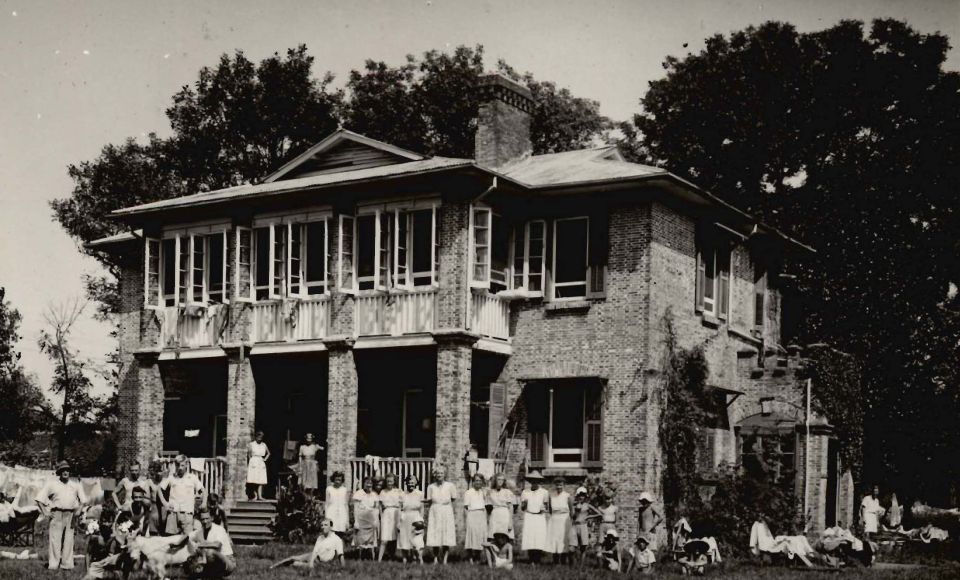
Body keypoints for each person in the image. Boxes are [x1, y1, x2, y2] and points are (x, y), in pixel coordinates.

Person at [36, 460, 86, 570]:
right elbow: (39, 499)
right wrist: (45, 512)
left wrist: (79, 510)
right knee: (55, 540)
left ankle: (67, 564)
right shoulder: (52, 484)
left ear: (69, 472)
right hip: (56, 514)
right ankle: (53, 564)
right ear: (59, 472)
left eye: (67, 470)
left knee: (68, 540)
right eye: (63, 470)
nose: (65, 472)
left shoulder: (75, 485)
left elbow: (83, 500)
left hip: (70, 515)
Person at [270, 518, 345, 569]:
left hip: (322, 563)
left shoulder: (337, 539)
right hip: (313, 557)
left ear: (331, 527)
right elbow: (315, 551)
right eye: (322, 525)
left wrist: (343, 568)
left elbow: (340, 555)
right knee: (292, 558)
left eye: (326, 525)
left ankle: (287, 567)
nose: (323, 527)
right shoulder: (320, 538)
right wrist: (311, 562)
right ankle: (273, 567)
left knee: (295, 564)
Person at [159, 455, 205, 535]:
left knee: (187, 538)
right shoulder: (171, 477)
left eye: (182, 465)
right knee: (171, 539)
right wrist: (165, 503)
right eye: (178, 465)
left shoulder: (192, 477)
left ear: (186, 465)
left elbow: (203, 491)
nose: (180, 468)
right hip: (173, 513)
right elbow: (159, 488)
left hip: (187, 513)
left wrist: (202, 504)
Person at [190, 508, 236, 578]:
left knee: (210, 552)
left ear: (212, 518)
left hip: (227, 561)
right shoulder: (199, 532)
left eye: (207, 518)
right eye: (202, 519)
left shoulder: (219, 529)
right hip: (210, 561)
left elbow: (217, 545)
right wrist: (177, 542)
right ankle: (209, 575)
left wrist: (200, 545)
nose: (205, 521)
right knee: (191, 560)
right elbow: (188, 536)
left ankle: (213, 575)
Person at [425, 466, 457, 564]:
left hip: (446, 511)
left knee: (446, 535)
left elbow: (453, 498)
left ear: (445, 475)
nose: (439, 475)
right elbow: (429, 500)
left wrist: (444, 504)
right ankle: (435, 558)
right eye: (437, 473)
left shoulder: (450, 486)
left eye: (441, 473)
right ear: (435, 475)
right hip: (435, 512)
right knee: (435, 535)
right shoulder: (431, 487)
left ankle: (445, 559)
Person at [520, 470, 549, 563]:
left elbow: (546, 506)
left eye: (536, 480)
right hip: (529, 516)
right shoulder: (525, 492)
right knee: (530, 536)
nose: (534, 482)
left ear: (539, 481)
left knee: (539, 537)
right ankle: (531, 558)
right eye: (532, 480)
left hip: (539, 516)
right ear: (530, 481)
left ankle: (538, 559)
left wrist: (543, 508)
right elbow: (522, 508)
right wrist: (524, 504)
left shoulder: (544, 492)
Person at [570, 486, 602, 565]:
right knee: (572, 548)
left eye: (583, 496)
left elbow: (599, 513)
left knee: (583, 547)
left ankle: (581, 565)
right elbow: (573, 517)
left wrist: (589, 517)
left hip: (583, 526)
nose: (581, 497)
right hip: (575, 526)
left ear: (585, 497)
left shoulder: (587, 505)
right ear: (577, 496)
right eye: (580, 495)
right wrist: (577, 511)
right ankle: (573, 564)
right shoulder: (574, 505)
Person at [398, 475, 425, 564]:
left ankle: (416, 558)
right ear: (406, 483)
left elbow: (422, 508)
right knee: (404, 538)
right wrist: (399, 520)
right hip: (405, 516)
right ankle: (405, 558)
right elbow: (400, 508)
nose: (411, 484)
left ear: (416, 483)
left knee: (416, 539)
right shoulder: (402, 494)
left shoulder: (420, 494)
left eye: (412, 482)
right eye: (409, 483)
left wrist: (421, 519)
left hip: (416, 517)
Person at [463, 474, 489, 563]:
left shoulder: (483, 492)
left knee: (480, 536)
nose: (478, 482)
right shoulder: (468, 492)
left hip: (481, 515)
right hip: (472, 514)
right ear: (473, 482)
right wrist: (467, 520)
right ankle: (470, 558)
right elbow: (465, 507)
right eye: (476, 480)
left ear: (482, 482)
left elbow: (486, 505)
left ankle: (477, 558)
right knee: (471, 536)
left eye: (480, 481)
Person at [352, 476, 380, 559]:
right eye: (367, 483)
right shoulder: (359, 494)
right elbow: (356, 508)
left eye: (370, 483)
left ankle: (372, 557)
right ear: (363, 483)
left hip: (371, 519)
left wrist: (376, 520)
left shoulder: (375, 495)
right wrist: (356, 521)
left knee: (371, 539)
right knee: (360, 538)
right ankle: (359, 556)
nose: (369, 485)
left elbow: (376, 509)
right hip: (361, 519)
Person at [377, 473, 402, 561]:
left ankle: (392, 557)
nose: (389, 483)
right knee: (384, 538)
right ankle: (379, 559)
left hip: (396, 514)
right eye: (388, 481)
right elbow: (380, 505)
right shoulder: (383, 492)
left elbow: (401, 505)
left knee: (394, 537)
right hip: (386, 514)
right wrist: (381, 516)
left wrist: (400, 518)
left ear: (394, 481)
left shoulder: (398, 491)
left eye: (391, 481)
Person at [547, 477, 571, 563]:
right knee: (554, 538)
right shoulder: (551, 496)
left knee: (563, 539)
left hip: (564, 519)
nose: (559, 487)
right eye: (557, 485)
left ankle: (563, 560)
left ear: (564, 485)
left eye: (561, 485)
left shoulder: (567, 496)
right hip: (554, 519)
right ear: (555, 485)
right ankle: (555, 560)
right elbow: (550, 509)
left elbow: (571, 510)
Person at [488, 472, 516, 539]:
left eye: (502, 480)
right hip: (495, 515)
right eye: (498, 479)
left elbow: (511, 507)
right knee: (493, 536)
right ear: (495, 480)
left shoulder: (507, 492)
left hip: (504, 514)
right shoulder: (491, 492)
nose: (500, 481)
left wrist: (510, 521)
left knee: (505, 536)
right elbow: (488, 506)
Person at [324, 471, 349, 537]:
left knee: (340, 532)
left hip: (342, 513)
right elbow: (327, 503)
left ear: (342, 481)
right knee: (331, 531)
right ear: (333, 479)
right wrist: (326, 516)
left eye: (339, 480)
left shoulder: (344, 490)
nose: (338, 482)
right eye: (336, 479)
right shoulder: (329, 489)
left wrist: (347, 520)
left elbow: (346, 504)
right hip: (331, 512)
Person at [247, 431, 270, 501]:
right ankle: (255, 496)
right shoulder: (251, 444)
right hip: (254, 461)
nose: (260, 439)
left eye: (261, 437)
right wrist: (251, 461)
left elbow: (268, 453)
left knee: (261, 480)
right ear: (256, 437)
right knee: (254, 479)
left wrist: (265, 459)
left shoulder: (264, 445)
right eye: (258, 437)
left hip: (261, 462)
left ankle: (260, 496)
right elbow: (249, 454)